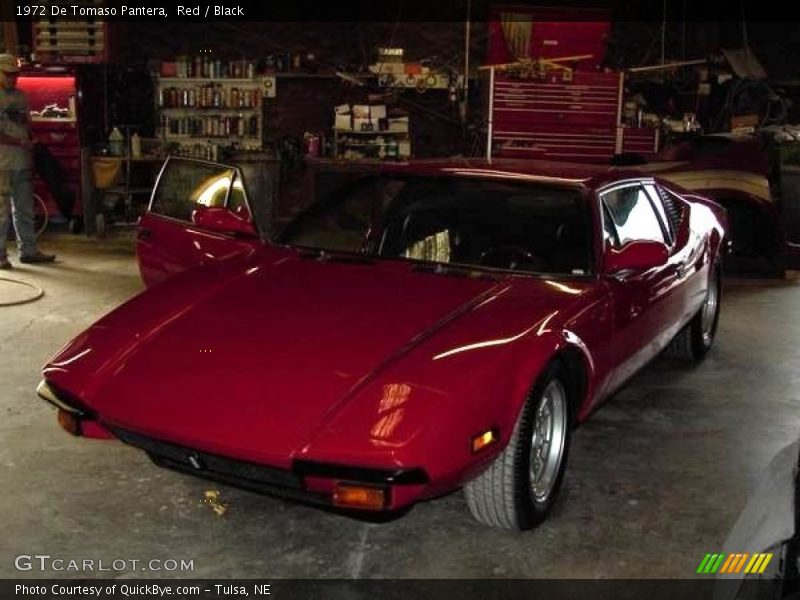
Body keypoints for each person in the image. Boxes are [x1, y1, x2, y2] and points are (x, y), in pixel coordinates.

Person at [0, 53, 55, 269]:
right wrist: (20, 143)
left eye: (15, 74)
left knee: (25, 210)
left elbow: (27, 126)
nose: (12, 78)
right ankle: (1, 256)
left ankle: (29, 251)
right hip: (2, 163)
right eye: (8, 74)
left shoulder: (22, 97)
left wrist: (31, 144)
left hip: (22, 162)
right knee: (1, 213)